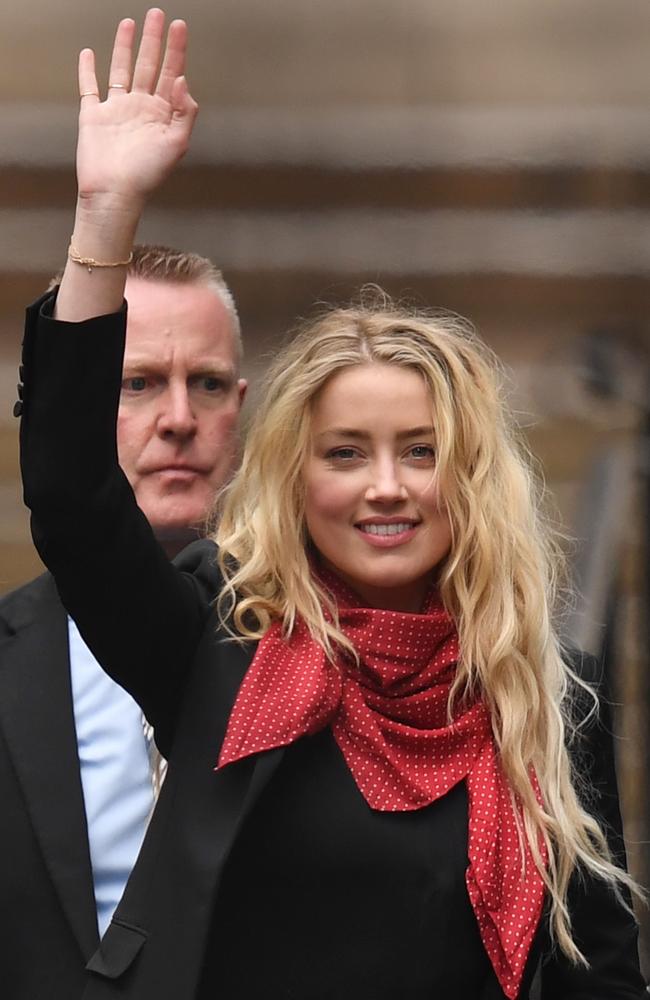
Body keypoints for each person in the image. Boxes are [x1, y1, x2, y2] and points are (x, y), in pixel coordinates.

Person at [16, 10, 646, 1000]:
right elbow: (70, 497)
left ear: (468, 477)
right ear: (295, 480)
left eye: (420, 451)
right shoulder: (217, 650)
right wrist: (103, 219)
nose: (385, 485)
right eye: (345, 453)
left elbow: (597, 969)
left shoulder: (542, 689)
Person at [1, 232, 245, 998]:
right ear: (75, 408)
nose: (178, 417)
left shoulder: (318, 649)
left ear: (241, 408)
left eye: (206, 384)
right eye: (137, 383)